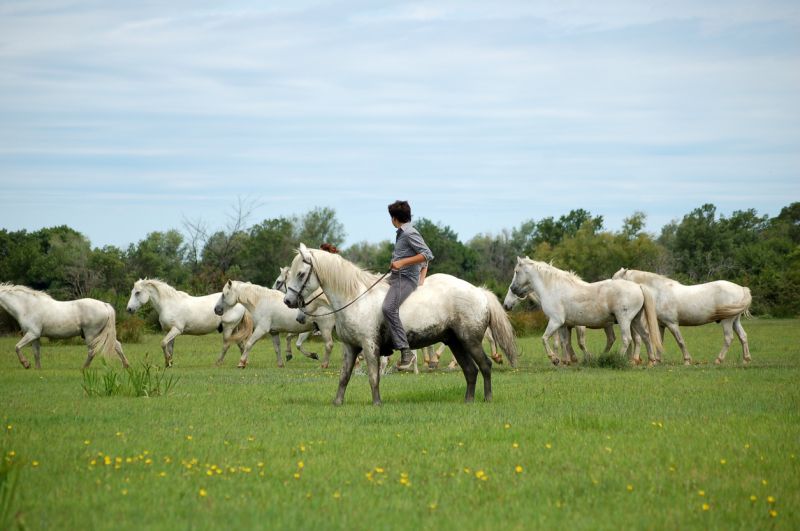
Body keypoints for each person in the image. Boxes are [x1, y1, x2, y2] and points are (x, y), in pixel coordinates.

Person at [382, 200, 434, 371]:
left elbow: (427, 254)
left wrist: (402, 262)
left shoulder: (410, 232)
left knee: (388, 308)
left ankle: (406, 352)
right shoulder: (402, 232)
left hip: (406, 280)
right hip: (395, 276)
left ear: (395, 218)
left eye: (391, 217)